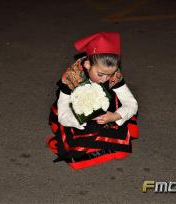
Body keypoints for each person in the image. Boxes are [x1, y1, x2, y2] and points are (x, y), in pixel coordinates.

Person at [47, 32, 139, 170]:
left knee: (121, 150)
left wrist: (115, 116)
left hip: (105, 109)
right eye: (100, 74)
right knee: (77, 149)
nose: (104, 80)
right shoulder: (73, 75)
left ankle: (99, 138)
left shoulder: (113, 74)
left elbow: (131, 103)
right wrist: (79, 120)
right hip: (75, 110)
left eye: (110, 75)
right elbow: (63, 111)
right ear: (88, 64)